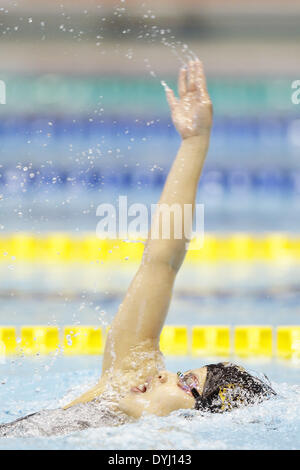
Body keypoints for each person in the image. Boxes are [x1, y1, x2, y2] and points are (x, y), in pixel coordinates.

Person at [0, 61, 275, 437]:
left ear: (200, 421)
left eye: (185, 385)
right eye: (180, 375)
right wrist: (194, 143)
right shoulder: (126, 377)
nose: (164, 373)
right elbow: (161, 262)